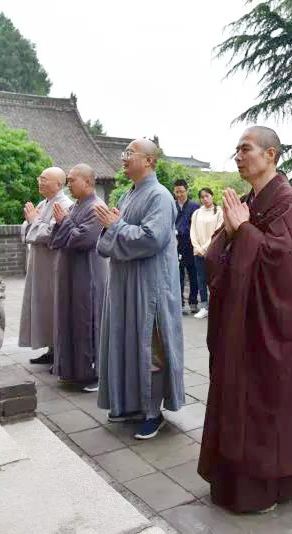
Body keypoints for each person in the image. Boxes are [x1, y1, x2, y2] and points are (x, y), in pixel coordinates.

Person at [198, 126, 292, 514]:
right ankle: (230, 477)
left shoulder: (291, 202)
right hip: (238, 324)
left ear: (272, 155)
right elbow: (216, 257)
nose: (238, 156)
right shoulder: (247, 200)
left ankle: (265, 485)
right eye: (236, 150)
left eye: (245, 149)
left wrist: (243, 230)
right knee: (234, 395)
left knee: (264, 402)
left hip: (270, 324)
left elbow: (283, 265)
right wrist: (231, 233)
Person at [95, 138, 184, 440]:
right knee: (127, 342)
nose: (123, 158)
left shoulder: (160, 196)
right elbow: (109, 237)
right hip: (125, 283)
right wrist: (112, 228)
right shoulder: (126, 195)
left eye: (129, 153)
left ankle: (152, 413)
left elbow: (151, 239)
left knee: (150, 349)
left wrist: (116, 227)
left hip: (150, 285)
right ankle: (131, 404)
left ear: (148, 161)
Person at [48, 164, 108, 391]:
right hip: (70, 273)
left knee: (86, 320)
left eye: (72, 180)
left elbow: (84, 240)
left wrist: (65, 223)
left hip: (87, 274)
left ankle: (91, 374)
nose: (68, 184)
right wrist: (64, 225)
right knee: (69, 319)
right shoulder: (75, 207)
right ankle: (71, 369)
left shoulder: (97, 208)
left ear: (87, 182)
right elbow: (56, 239)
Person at [20, 167, 73, 364]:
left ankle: (58, 351)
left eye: (44, 179)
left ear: (59, 184)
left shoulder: (65, 204)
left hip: (53, 265)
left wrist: (33, 220)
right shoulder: (44, 203)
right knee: (43, 307)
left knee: (53, 307)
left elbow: (54, 233)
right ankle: (51, 349)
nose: (40, 182)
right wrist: (31, 221)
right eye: (39, 178)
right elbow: (28, 228)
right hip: (39, 264)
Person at [189, 187, 224, 319]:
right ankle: (204, 306)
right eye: (202, 197)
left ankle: (215, 306)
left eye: (207, 196)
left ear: (212, 196)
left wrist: (204, 248)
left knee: (214, 280)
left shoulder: (219, 212)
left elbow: (218, 232)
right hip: (198, 252)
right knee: (201, 279)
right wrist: (197, 247)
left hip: (213, 251)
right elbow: (192, 232)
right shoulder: (197, 213)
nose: (205, 199)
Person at [174, 179, 200, 315]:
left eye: (182, 191)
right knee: (178, 275)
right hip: (176, 244)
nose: (179, 194)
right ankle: (180, 304)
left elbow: (198, 225)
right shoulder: (171, 205)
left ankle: (194, 301)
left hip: (191, 244)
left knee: (193, 274)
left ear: (187, 191)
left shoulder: (195, 206)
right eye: (177, 192)